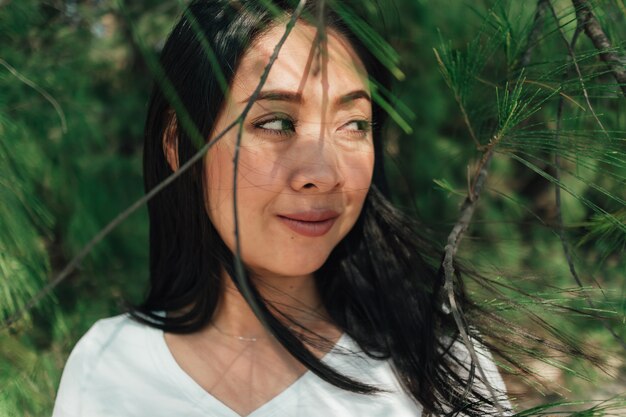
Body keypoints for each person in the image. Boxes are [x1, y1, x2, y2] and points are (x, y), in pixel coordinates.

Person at [52, 0, 511, 416]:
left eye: (354, 124)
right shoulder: (110, 367)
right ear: (180, 145)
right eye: (276, 123)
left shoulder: (441, 366)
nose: (323, 171)